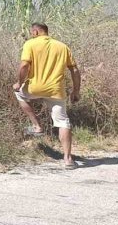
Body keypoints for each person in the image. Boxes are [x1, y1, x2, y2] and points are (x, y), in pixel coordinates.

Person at [13, 22, 82, 169]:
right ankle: (68, 159)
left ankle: (37, 126)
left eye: (32, 32)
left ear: (36, 32)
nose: (32, 34)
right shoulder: (62, 46)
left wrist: (19, 83)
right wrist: (76, 91)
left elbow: (24, 66)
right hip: (56, 90)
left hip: (34, 88)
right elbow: (74, 70)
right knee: (63, 121)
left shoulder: (30, 44)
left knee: (19, 94)